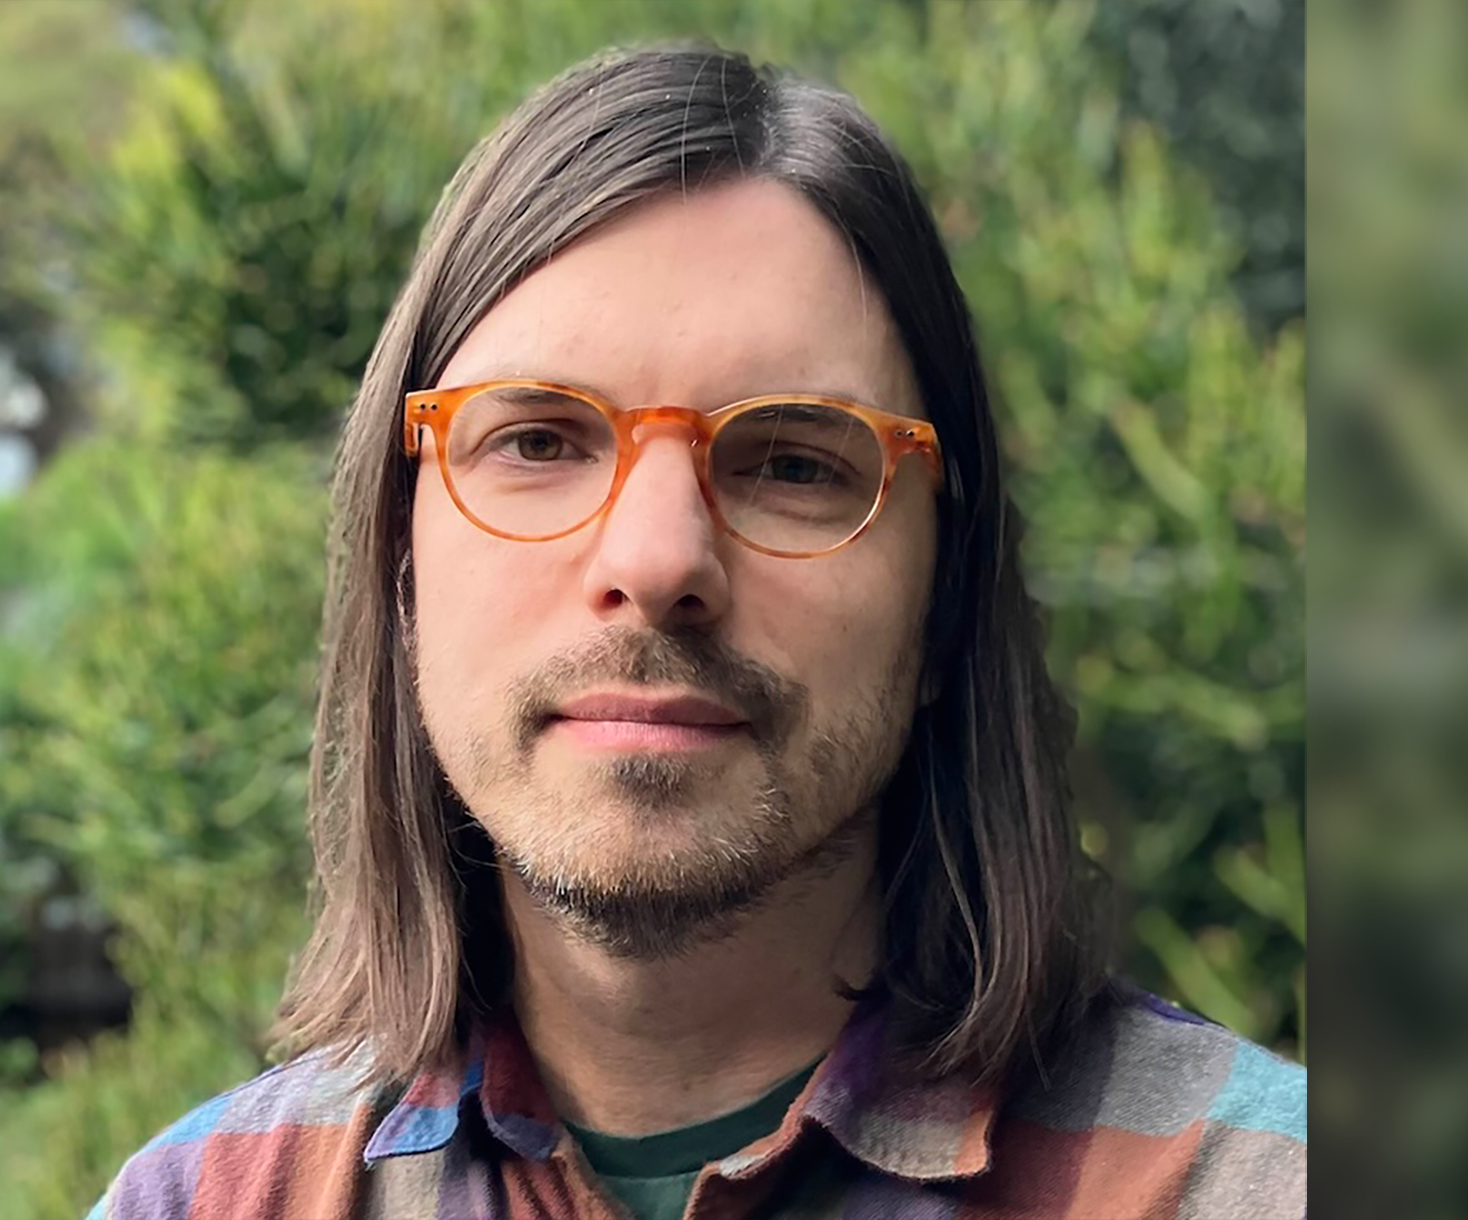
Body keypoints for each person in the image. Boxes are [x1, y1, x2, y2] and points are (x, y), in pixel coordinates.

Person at [88, 44, 1304, 1220]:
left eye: (791, 462)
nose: (657, 558)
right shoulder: (198, 1203)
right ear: (401, 573)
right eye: (539, 442)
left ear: (944, 603)